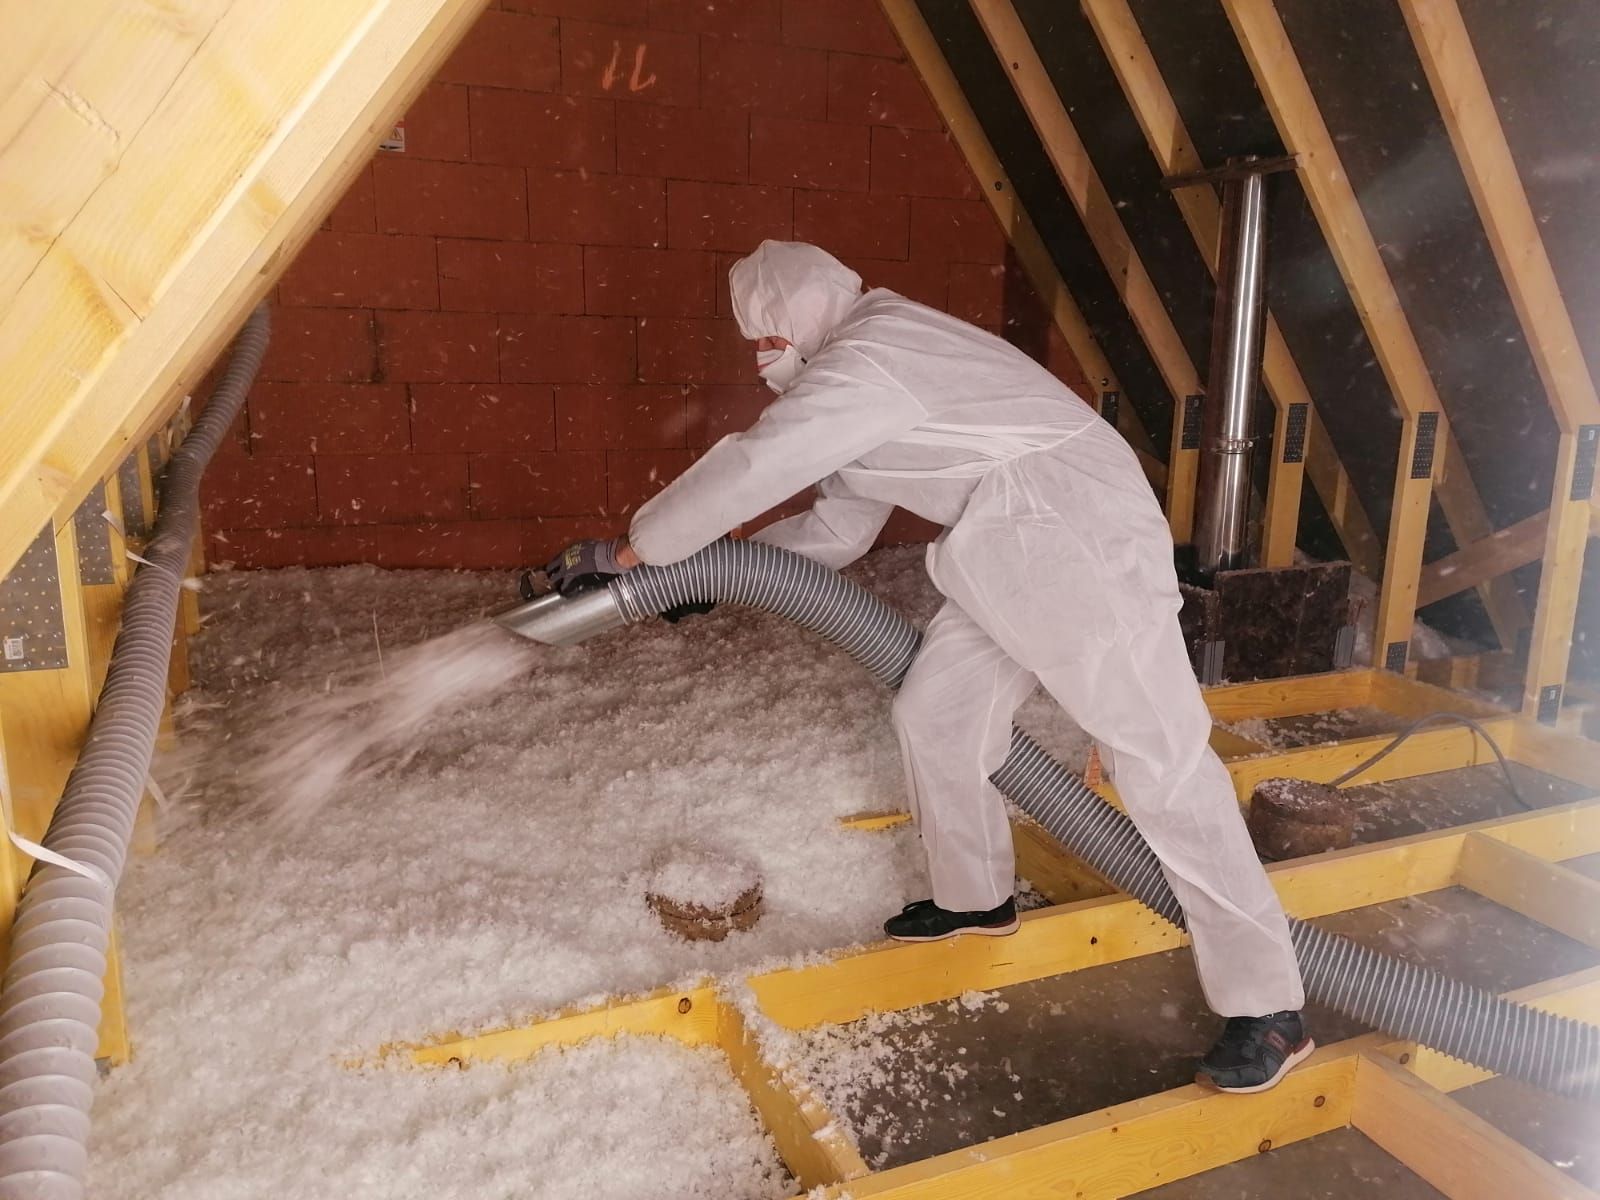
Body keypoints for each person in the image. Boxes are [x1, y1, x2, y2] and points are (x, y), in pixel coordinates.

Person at [545, 240, 1311, 1093]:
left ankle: (1270, 1007)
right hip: (1011, 543)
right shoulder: (862, 372)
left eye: (764, 336)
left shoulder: (876, 356)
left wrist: (637, 548)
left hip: (1078, 535)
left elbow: (759, 461)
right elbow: (838, 530)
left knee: (1159, 763)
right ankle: (975, 898)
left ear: (798, 315)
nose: (761, 357)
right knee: (937, 718)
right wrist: (701, 577)